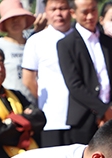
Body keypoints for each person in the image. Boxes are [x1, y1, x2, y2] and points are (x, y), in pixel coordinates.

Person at [57, 0, 112, 146]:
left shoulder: (109, 42)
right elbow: (74, 85)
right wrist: (102, 110)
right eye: (84, 12)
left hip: (111, 118)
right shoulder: (66, 44)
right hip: (83, 119)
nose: (90, 16)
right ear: (73, 13)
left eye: (93, 10)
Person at [22, 0, 74, 148]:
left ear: (71, 10)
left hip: (81, 118)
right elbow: (28, 79)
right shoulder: (36, 40)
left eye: (63, 8)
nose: (58, 13)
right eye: (53, 9)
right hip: (51, 117)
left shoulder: (81, 37)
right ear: (46, 11)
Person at [0, 0, 37, 105]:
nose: (15, 21)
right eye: (10, 18)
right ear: (4, 23)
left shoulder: (35, 44)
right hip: (11, 105)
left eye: (19, 16)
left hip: (36, 105)